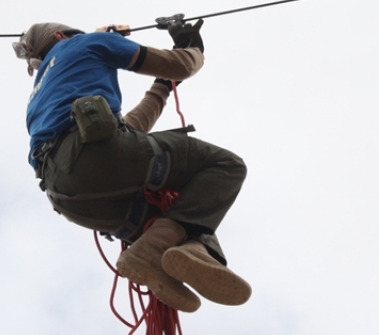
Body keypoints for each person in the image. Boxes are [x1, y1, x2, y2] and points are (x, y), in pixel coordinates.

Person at [17, 19, 251, 313]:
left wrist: (162, 88)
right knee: (224, 166)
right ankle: (164, 248)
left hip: (69, 197)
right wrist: (191, 46)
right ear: (61, 35)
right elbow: (181, 65)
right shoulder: (85, 43)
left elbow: (124, 135)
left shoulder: (40, 94)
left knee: (170, 218)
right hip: (97, 157)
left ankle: (190, 251)